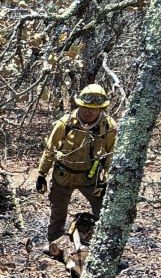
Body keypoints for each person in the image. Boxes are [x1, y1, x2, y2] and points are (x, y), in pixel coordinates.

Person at [36, 84, 117, 251]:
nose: (89, 112)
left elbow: (111, 154)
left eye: (93, 109)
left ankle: (99, 244)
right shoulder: (64, 123)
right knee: (58, 212)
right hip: (63, 175)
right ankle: (54, 245)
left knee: (102, 210)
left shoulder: (108, 127)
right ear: (79, 105)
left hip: (90, 176)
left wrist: (105, 181)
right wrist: (41, 174)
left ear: (101, 108)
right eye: (85, 107)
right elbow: (50, 149)